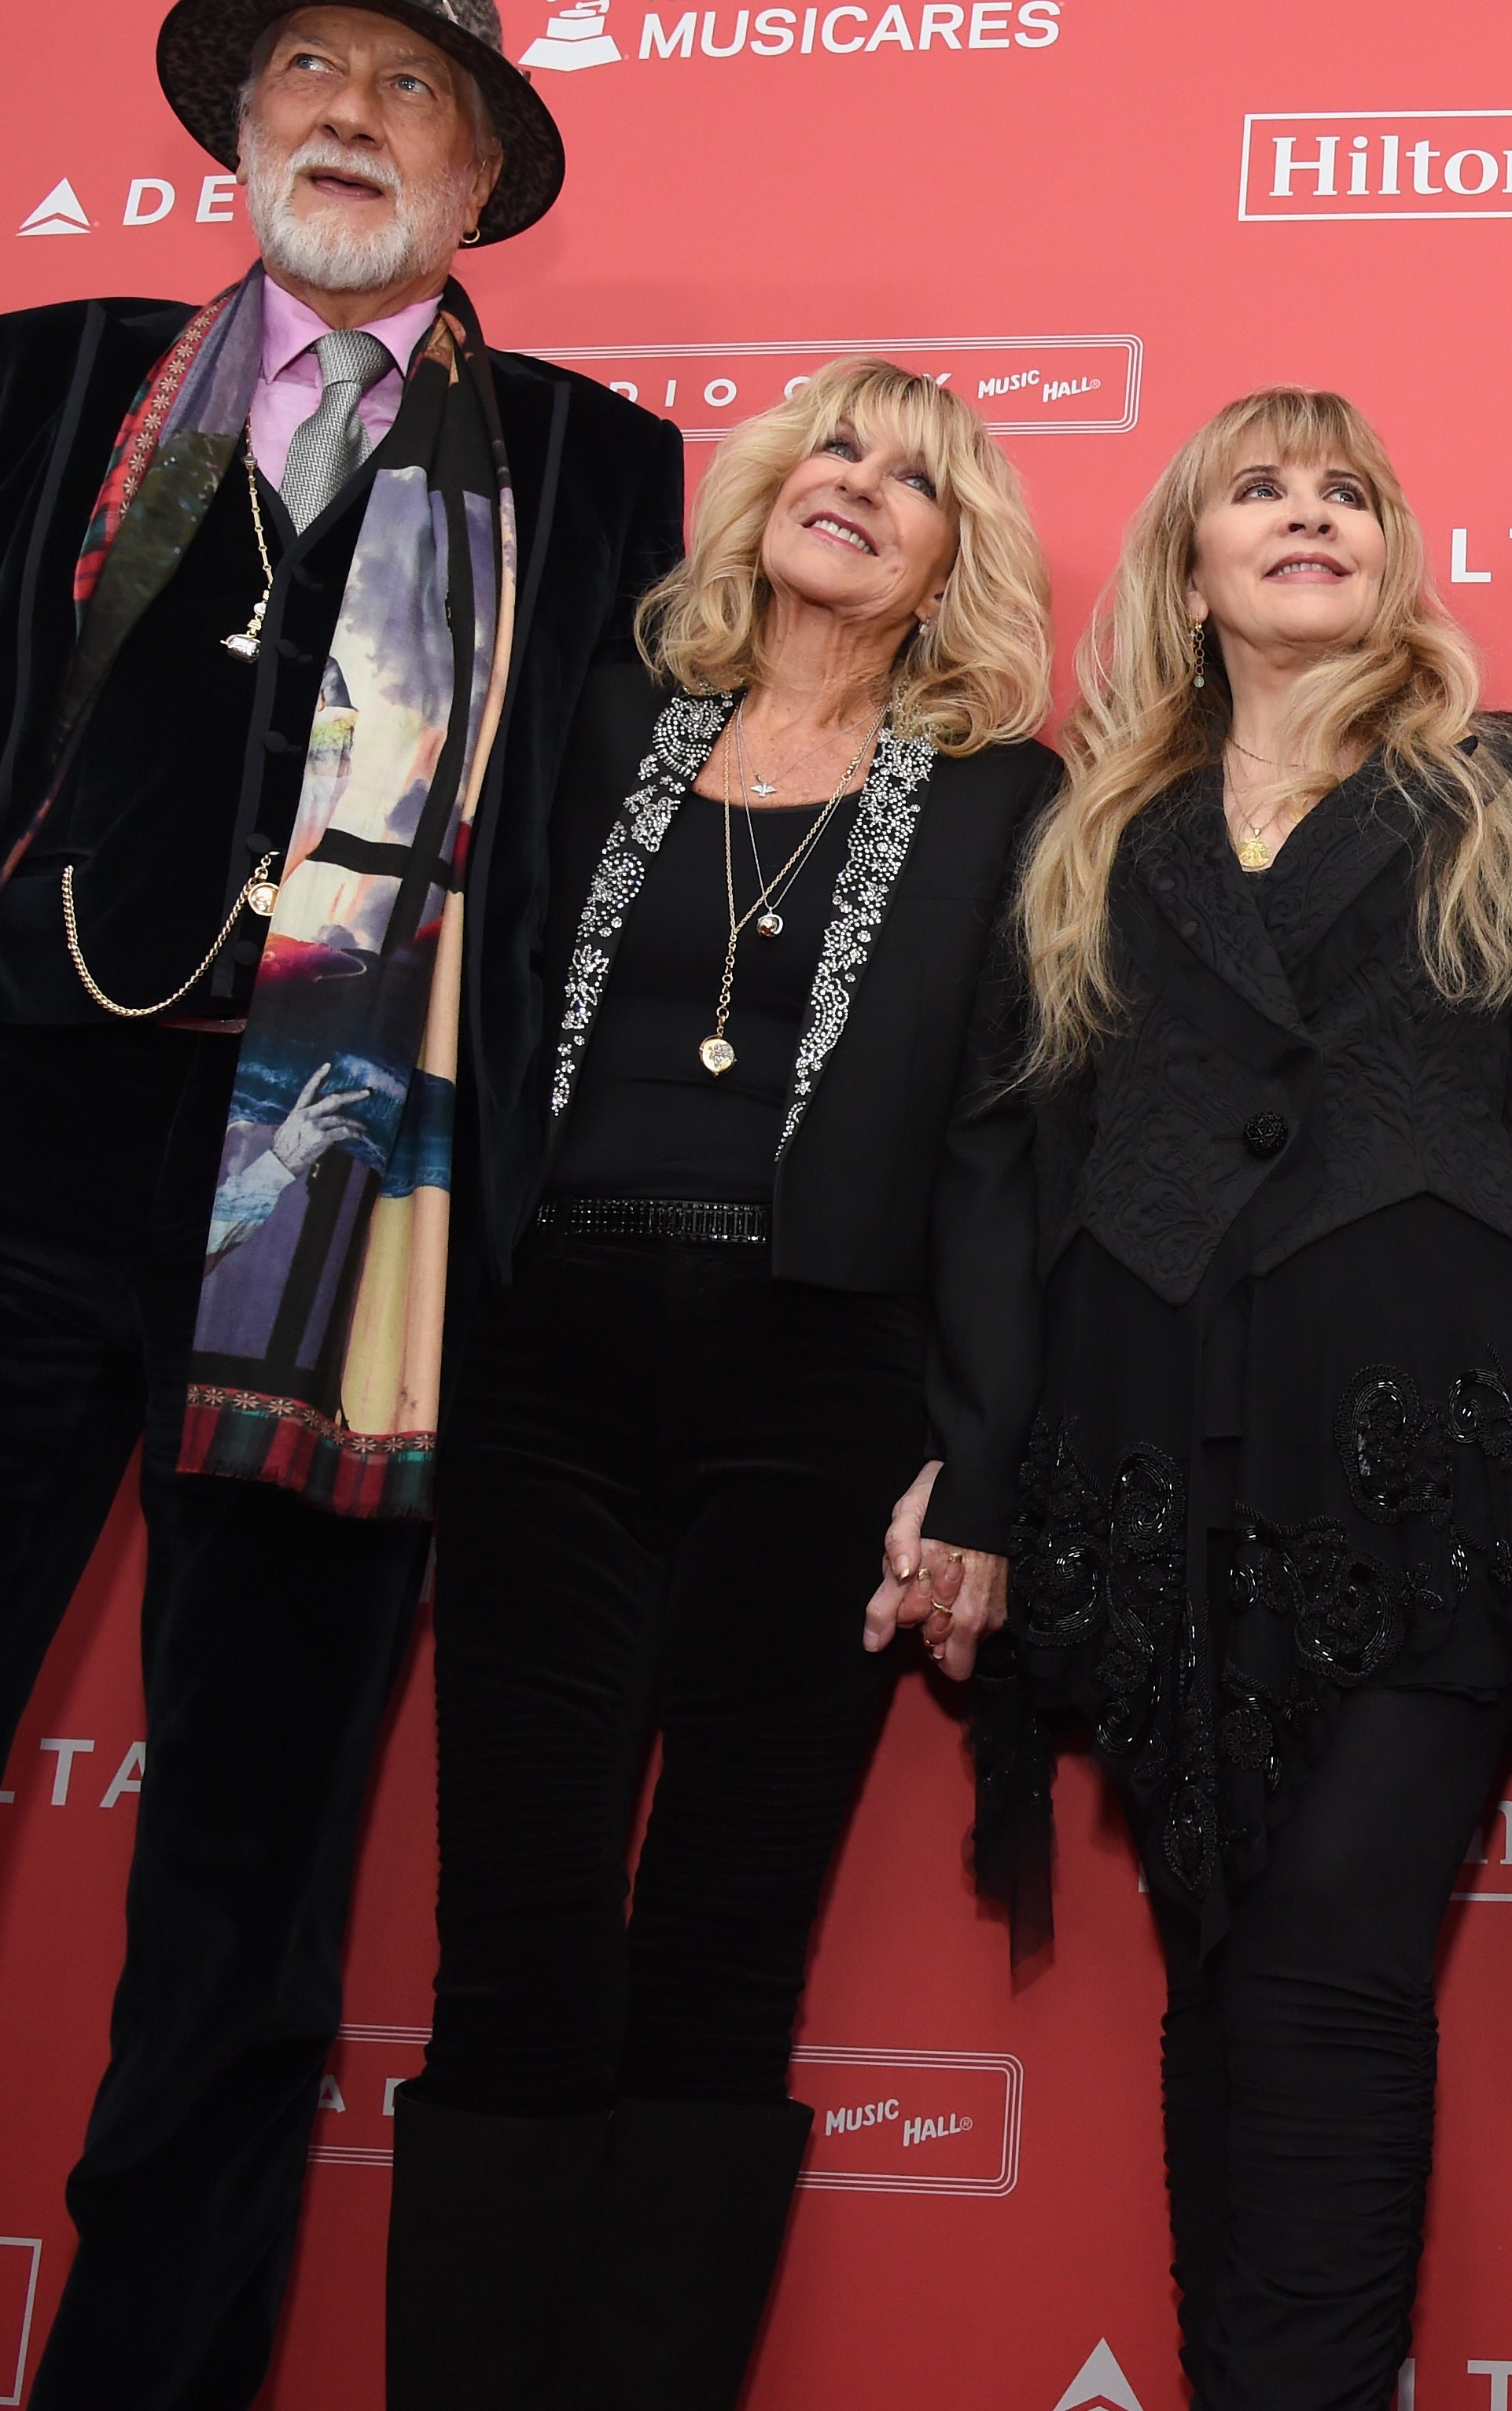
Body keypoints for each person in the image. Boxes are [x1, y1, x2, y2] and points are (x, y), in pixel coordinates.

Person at [0, 0, 685, 2411]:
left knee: (244, 1913)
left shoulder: (598, 476)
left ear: (485, 164)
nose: (345, 113)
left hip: (336, 1181)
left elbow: (580, 884)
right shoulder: (47, 378)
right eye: (305, 67)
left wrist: (484, 1201)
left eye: (406, 88)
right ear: (233, 120)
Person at [869, 387, 1512, 2411]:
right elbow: (1020, 1162)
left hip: (1443, 1457)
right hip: (1152, 1456)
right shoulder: (1086, 816)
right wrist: (978, 1472)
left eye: (1349, 490)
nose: (1309, 515)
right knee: (1215, 1966)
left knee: (1323, 1969)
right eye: (1260, 486)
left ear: (1394, 550)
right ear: (1188, 561)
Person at [384, 363, 1060, 2409]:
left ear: (954, 565)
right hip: (542, 1366)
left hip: (827, 1388)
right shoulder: (589, 733)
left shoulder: (1004, 799)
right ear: (761, 493)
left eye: (915, 479)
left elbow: (1007, 1157)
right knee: (517, 1931)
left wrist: (982, 1473)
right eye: (831, 451)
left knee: (723, 1946)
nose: (860, 487)